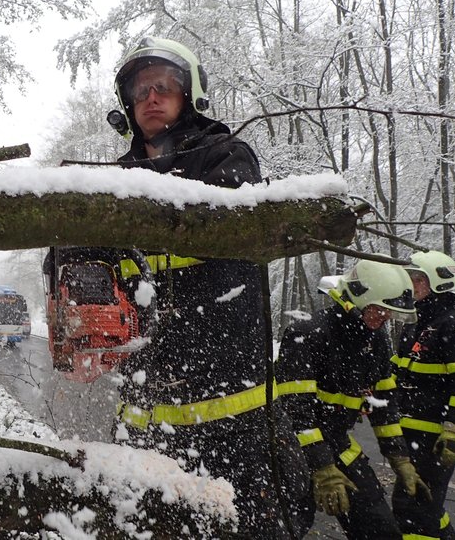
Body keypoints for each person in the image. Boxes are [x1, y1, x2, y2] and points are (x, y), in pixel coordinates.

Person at [109, 36, 312, 538]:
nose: (150, 98)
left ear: (190, 94)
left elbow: (215, 214)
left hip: (232, 418)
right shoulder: (114, 181)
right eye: (140, 91)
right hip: (143, 421)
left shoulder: (227, 156)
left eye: (164, 87)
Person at [277, 258, 432, 540]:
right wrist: (322, 467)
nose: (384, 317)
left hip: (338, 443)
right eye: (379, 309)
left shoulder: (377, 341)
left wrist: (400, 459)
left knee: (379, 527)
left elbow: (383, 406)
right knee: (285, 527)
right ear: (357, 299)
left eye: (389, 312)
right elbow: (295, 412)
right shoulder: (307, 335)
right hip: (292, 450)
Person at [392, 250, 455, 539]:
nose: (411, 285)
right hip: (410, 434)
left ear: (438, 283)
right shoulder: (416, 325)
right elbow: (400, 372)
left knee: (414, 507)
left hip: (434, 438)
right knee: (421, 505)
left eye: (418, 279)